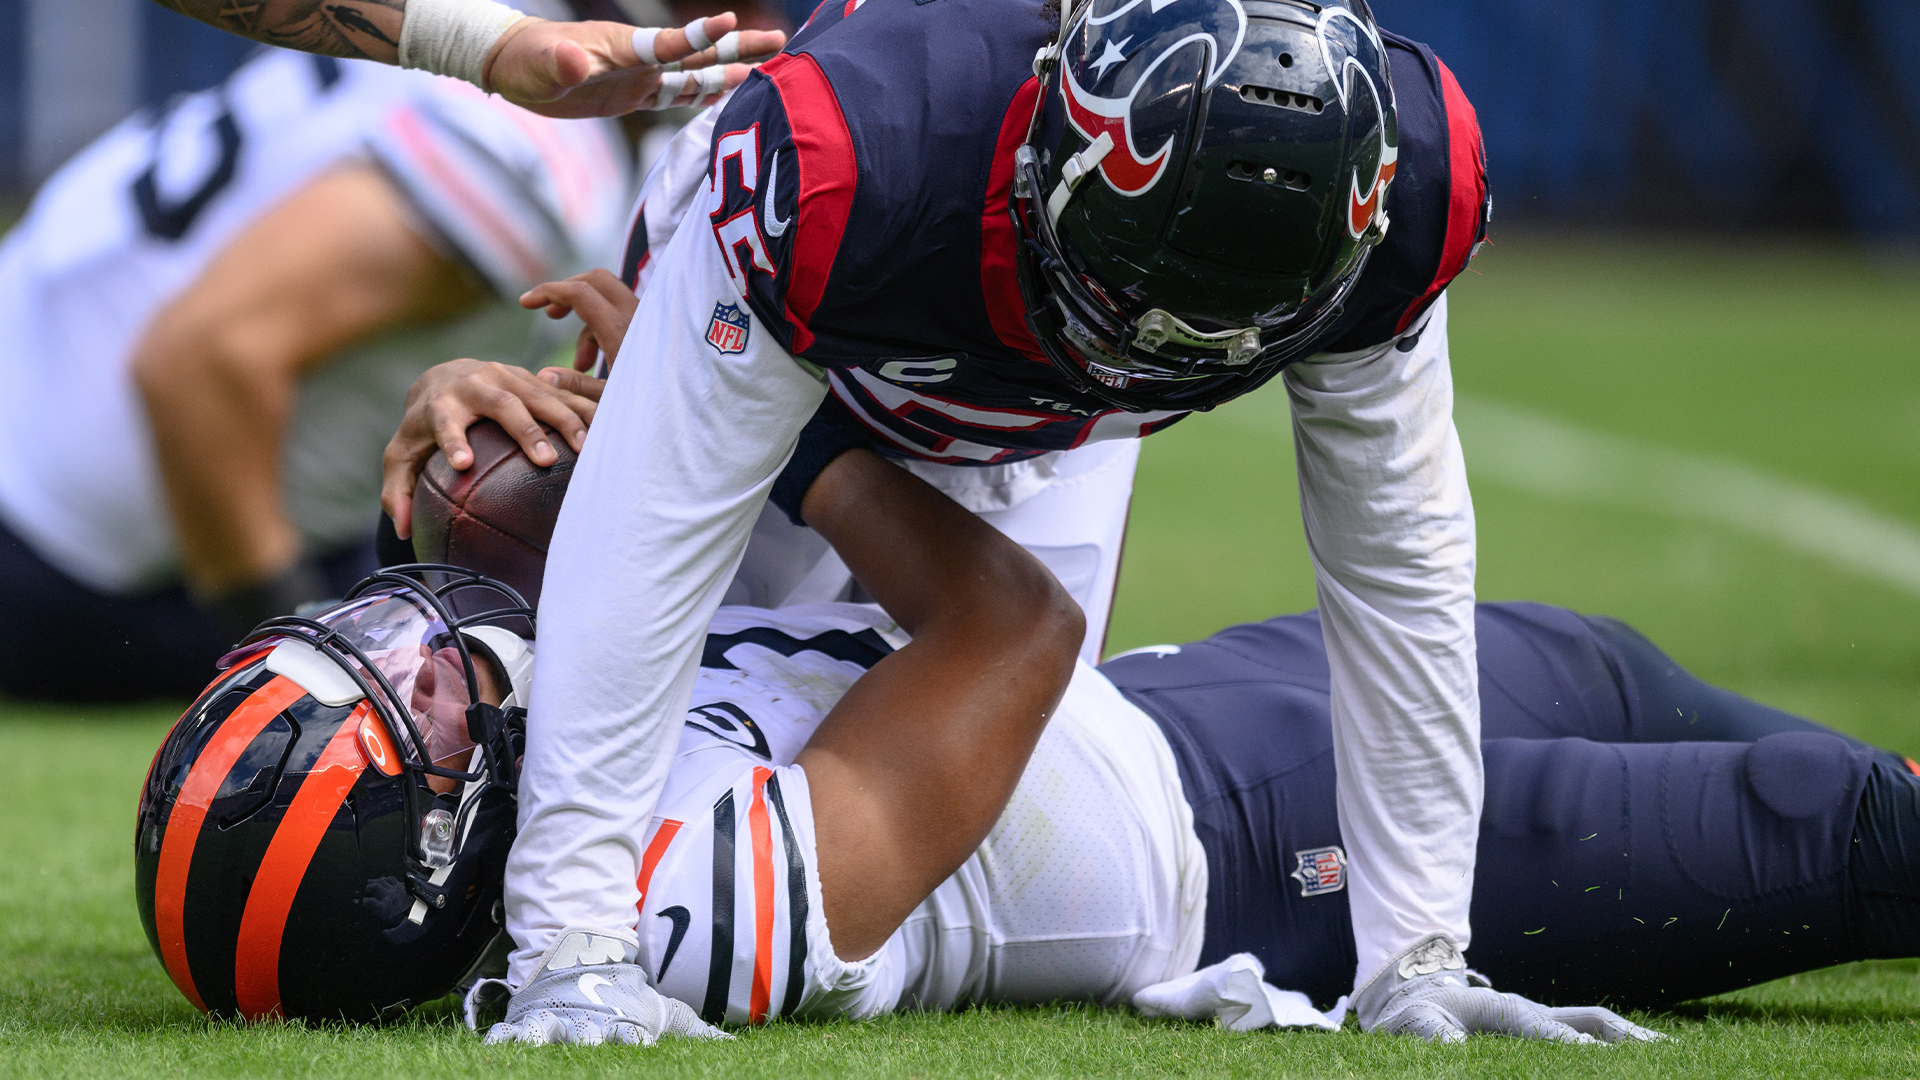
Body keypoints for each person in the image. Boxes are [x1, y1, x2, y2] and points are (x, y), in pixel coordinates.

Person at [378, 0, 1511, 1040]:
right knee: (651, 752)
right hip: (812, 338)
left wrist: (1419, 951)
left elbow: (1398, 561)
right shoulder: (845, 158)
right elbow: (644, 542)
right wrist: (573, 944)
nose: (1150, 357)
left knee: (1008, 767)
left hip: (1035, 442)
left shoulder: (1405, 187)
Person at [473, 448, 1917, 1045]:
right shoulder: (660, 919)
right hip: (1266, 859)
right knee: (1843, 825)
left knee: (1613, 662)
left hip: (1204, 692)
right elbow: (1015, 632)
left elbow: (601, 586)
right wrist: (759, 415)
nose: (423, 672)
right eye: (402, 712)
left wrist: (475, 468)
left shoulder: (526, 738)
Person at [0, 19, 639, 701]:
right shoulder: (539, 136)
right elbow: (206, 358)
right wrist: (294, 660)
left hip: (40, 356)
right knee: (497, 642)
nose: (765, 28)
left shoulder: (454, 30)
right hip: (57, 539)